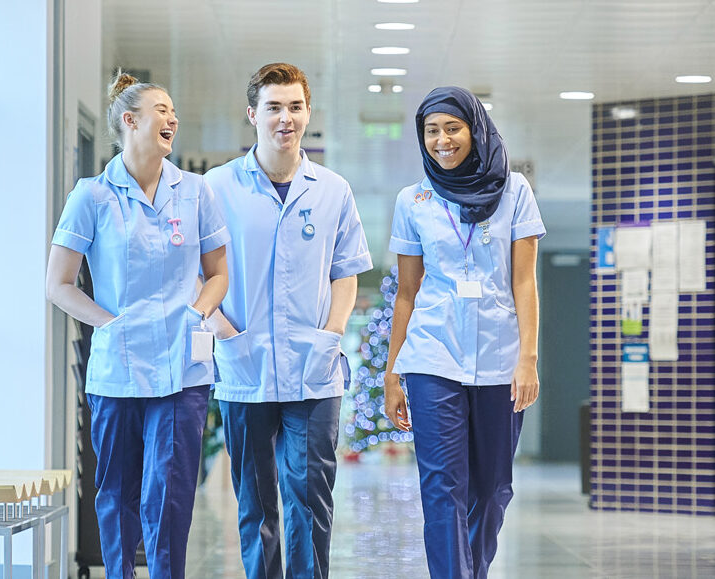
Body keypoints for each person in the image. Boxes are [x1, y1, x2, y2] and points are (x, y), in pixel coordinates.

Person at [45, 71, 229, 579]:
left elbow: (218, 275)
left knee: (167, 491)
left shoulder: (195, 192)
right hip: (117, 365)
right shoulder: (93, 195)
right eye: (161, 110)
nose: (173, 119)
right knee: (117, 491)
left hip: (182, 365)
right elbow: (58, 284)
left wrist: (198, 314)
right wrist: (110, 323)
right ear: (130, 121)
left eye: (173, 111)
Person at [204, 63, 372, 579]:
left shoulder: (333, 190)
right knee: (255, 507)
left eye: (295, 107)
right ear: (252, 113)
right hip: (244, 364)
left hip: (313, 371)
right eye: (274, 107)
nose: (285, 118)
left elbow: (346, 273)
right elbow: (197, 273)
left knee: (310, 503)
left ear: (308, 114)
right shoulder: (216, 188)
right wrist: (224, 333)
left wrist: (332, 332)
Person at [384, 86, 545, 579]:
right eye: (431, 131)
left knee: (494, 489)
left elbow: (523, 282)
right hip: (433, 356)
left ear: (474, 129)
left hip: (500, 359)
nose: (442, 140)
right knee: (442, 487)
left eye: (452, 128)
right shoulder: (413, 200)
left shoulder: (514, 190)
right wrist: (394, 373)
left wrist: (528, 359)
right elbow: (406, 292)